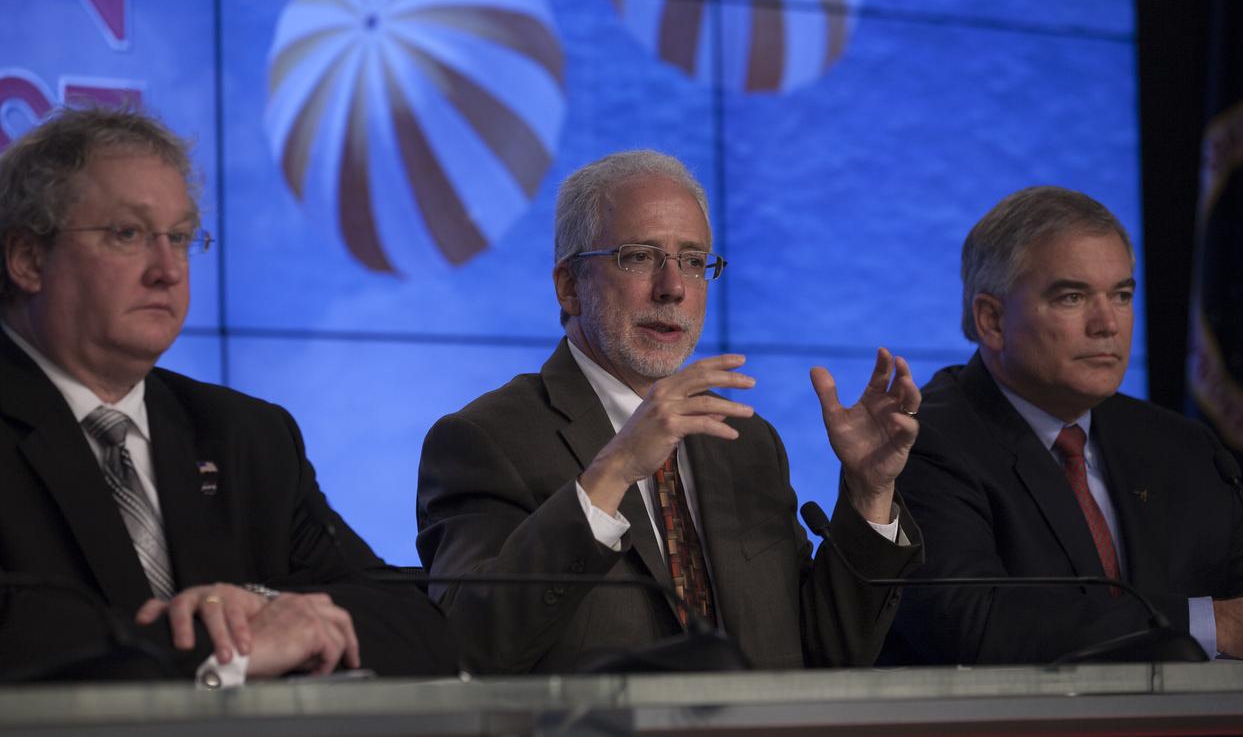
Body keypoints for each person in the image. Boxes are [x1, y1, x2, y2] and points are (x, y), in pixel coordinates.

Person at [417, 149, 922, 673]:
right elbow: (467, 650)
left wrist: (869, 491)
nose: (673, 287)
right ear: (569, 286)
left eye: (693, 260)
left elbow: (828, 654)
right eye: (638, 256)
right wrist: (613, 471)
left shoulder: (745, 444)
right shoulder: (485, 439)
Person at [0, 106, 456, 684]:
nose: (168, 270)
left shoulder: (245, 436)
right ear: (27, 259)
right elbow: (24, 640)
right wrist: (229, 651)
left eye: (183, 237)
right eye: (127, 234)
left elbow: (417, 626)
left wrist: (263, 605)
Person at [884, 186, 1243, 665]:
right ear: (992, 320)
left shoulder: (1179, 444)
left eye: (1122, 295)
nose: (1108, 324)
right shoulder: (923, 444)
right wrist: (1218, 625)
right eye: (1072, 297)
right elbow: (974, 621)